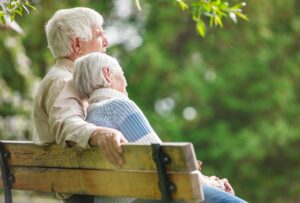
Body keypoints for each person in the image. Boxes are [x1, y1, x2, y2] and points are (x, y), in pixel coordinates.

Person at [73, 52, 248, 203]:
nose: (126, 82)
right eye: (123, 74)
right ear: (107, 74)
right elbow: (169, 167)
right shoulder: (118, 106)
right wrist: (214, 183)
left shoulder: (88, 121)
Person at [32, 7, 127, 203]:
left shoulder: (71, 80)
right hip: (85, 192)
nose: (107, 42)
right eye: (99, 35)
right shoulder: (63, 81)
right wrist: (99, 134)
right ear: (77, 44)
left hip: (89, 186)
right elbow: (67, 124)